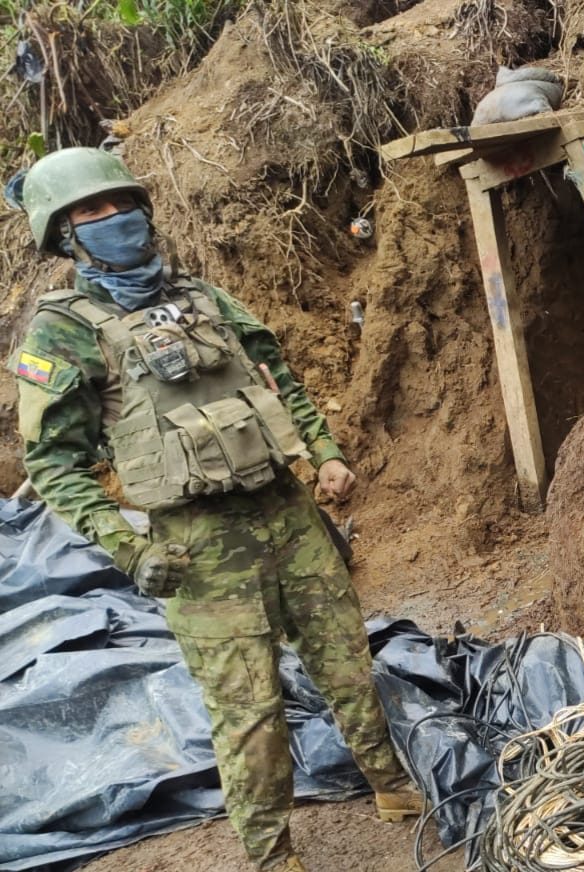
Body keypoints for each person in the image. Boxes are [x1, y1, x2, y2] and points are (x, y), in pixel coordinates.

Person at [8, 147, 421, 872]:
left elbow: (277, 376)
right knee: (249, 711)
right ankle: (271, 855)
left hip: (289, 514)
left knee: (348, 663)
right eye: (90, 214)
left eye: (120, 205)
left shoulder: (202, 296)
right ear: (65, 235)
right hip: (198, 546)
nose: (114, 221)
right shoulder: (61, 331)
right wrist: (129, 547)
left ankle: (391, 785)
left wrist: (322, 452)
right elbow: (53, 462)